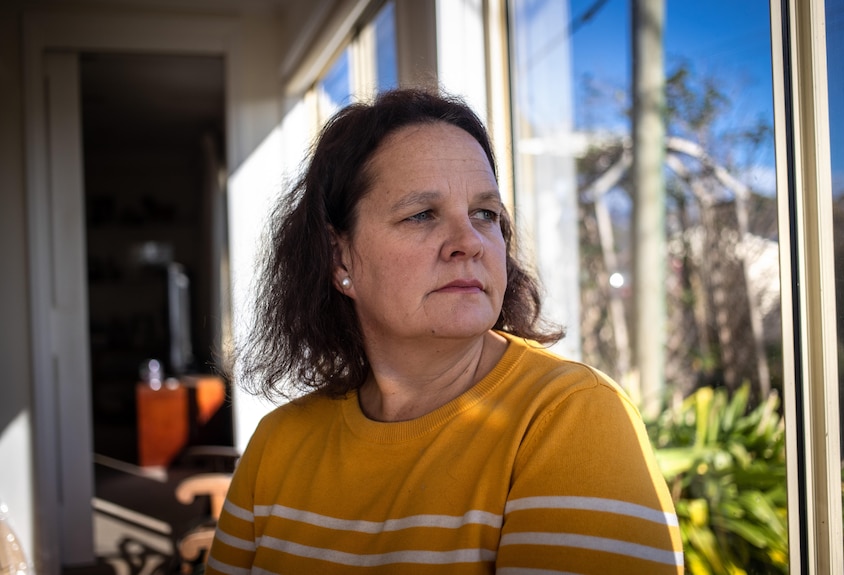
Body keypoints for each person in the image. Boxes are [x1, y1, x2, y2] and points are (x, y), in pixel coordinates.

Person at [205, 87, 683, 574]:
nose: (469, 242)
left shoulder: (571, 418)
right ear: (339, 257)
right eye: (421, 214)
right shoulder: (275, 446)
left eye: (485, 214)